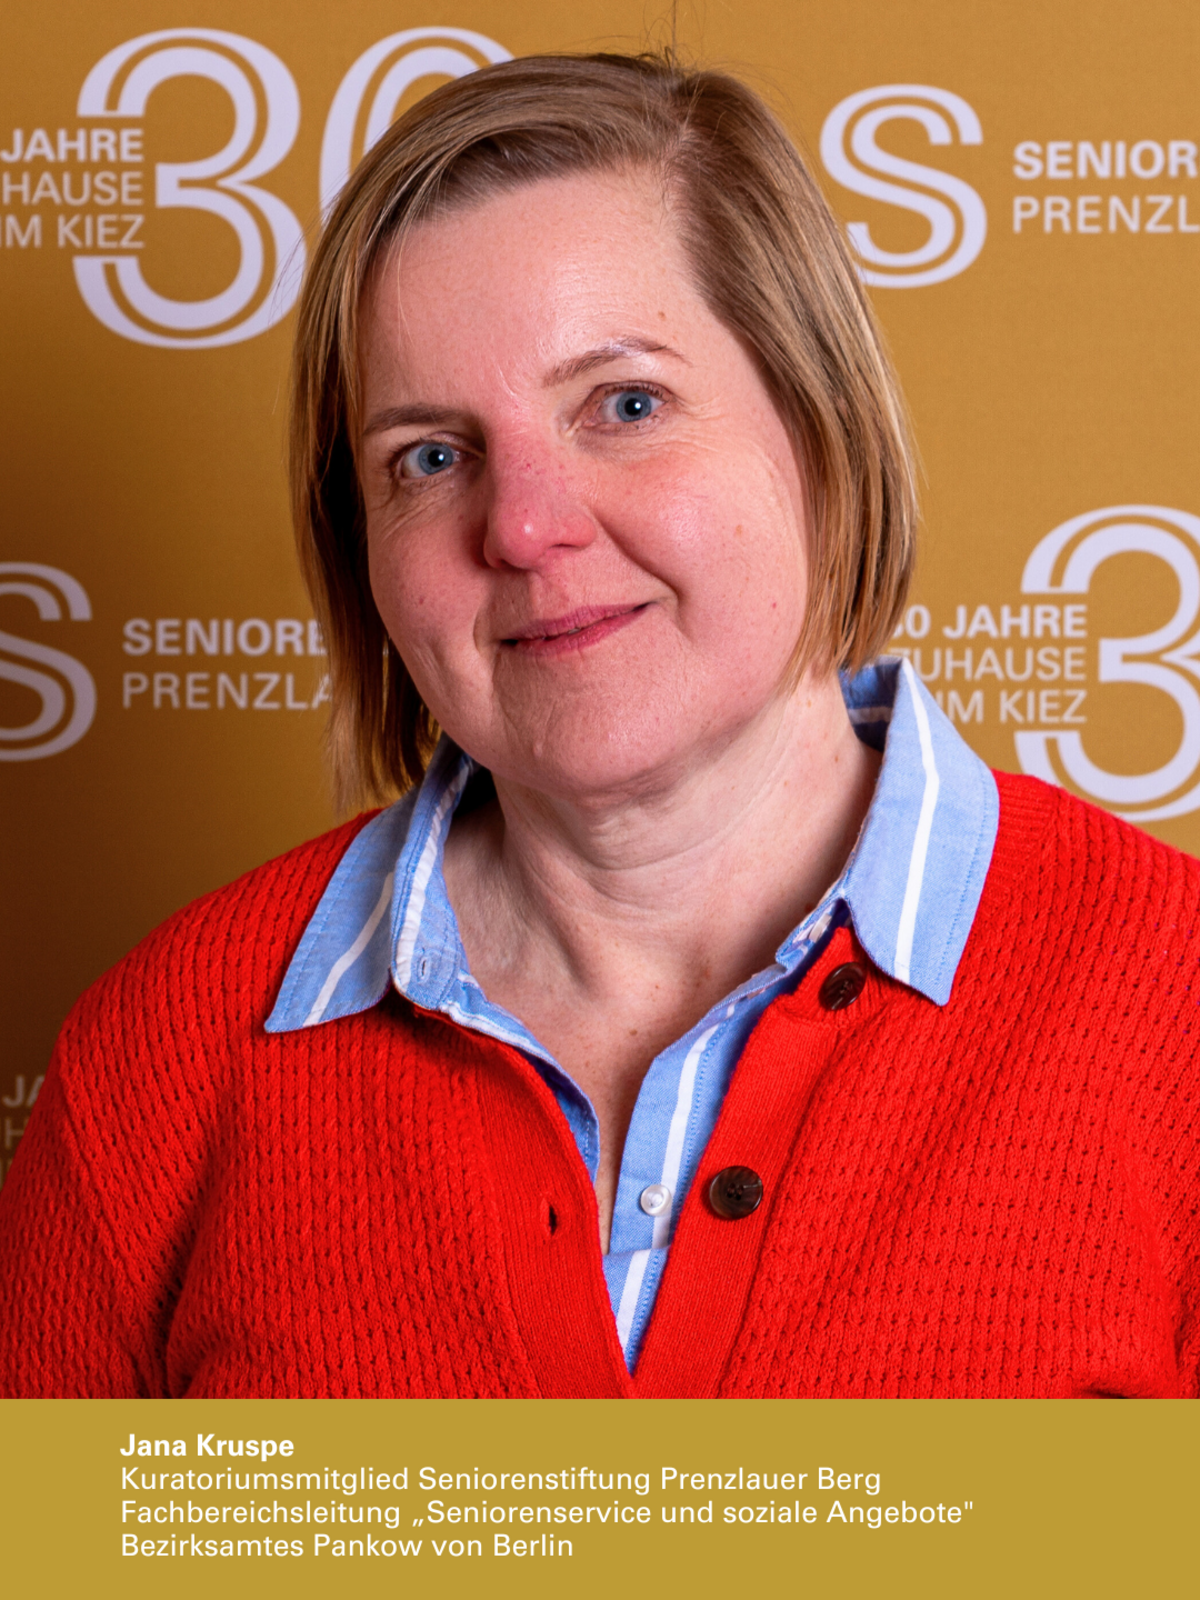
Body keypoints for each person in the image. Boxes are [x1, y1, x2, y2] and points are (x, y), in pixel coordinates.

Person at [0, 52, 1196, 1399]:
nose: (523, 527)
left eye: (625, 406)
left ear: (821, 427)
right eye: (429, 457)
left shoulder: (1175, 1004)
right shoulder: (158, 1063)